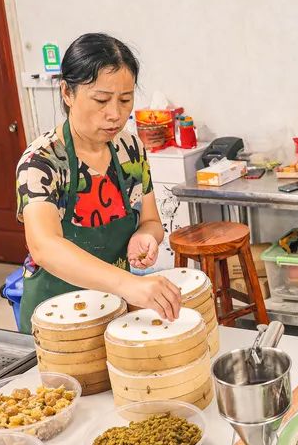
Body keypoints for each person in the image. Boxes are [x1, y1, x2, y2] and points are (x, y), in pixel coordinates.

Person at [15, 33, 182, 333]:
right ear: (67, 93)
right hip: (59, 322)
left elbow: (151, 220)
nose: (115, 114)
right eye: (102, 100)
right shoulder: (41, 162)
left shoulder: (130, 149)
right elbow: (44, 247)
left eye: (125, 100)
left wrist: (145, 237)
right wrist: (130, 284)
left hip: (116, 312)